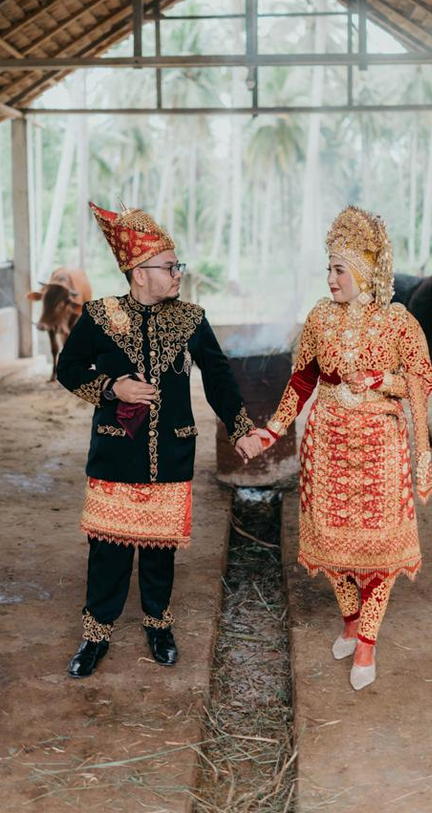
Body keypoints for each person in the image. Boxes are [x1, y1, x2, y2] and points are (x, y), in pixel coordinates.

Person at [57, 202, 262, 678]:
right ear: (138, 273)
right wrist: (113, 387)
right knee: (107, 550)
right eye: (170, 267)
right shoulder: (99, 316)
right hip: (114, 452)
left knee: (159, 550)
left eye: (177, 266)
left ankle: (158, 625)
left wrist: (241, 429)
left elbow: (218, 378)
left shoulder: (191, 319)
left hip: (170, 451)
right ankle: (95, 635)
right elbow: (66, 370)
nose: (178, 275)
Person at [256, 206, 432, 690]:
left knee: (378, 546)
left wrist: (382, 379)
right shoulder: (319, 317)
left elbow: (422, 379)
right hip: (328, 442)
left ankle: (369, 642)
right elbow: (301, 380)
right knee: (333, 545)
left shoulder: (397, 321)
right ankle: (351, 621)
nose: (331, 278)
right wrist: (272, 430)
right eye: (329, 269)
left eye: (339, 269)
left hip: (380, 445)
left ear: (364, 271)